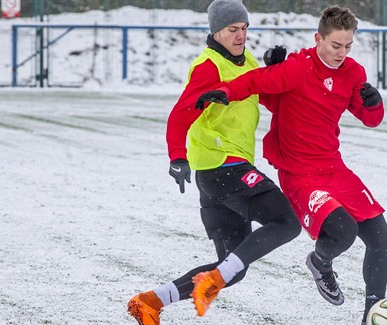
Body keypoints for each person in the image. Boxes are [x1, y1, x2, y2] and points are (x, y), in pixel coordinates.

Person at [195, 6, 387, 324]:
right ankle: (320, 263)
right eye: (335, 45)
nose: (341, 53)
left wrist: (374, 103)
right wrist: (224, 91)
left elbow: (371, 119)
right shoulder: (297, 67)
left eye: (347, 46)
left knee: (382, 236)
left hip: (334, 168)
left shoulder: (353, 73)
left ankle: (374, 311)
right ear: (318, 39)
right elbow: (255, 82)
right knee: (343, 230)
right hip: (300, 174)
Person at [126, 1, 301, 324]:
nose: (240, 36)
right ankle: (207, 283)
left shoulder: (246, 60)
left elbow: (268, 97)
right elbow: (181, 113)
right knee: (287, 222)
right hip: (224, 166)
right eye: (233, 30)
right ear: (215, 31)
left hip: (219, 176)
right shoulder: (209, 67)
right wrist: (177, 156)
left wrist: (274, 70)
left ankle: (151, 301)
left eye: (244, 29)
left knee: (231, 269)